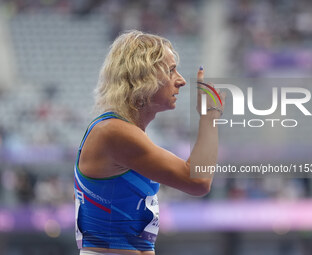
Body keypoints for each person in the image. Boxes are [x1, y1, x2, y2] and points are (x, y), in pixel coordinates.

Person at [74, 30, 226, 255]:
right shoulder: (114, 132)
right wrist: (209, 115)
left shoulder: (123, 131)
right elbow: (198, 180)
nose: (182, 81)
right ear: (141, 76)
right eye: (171, 70)